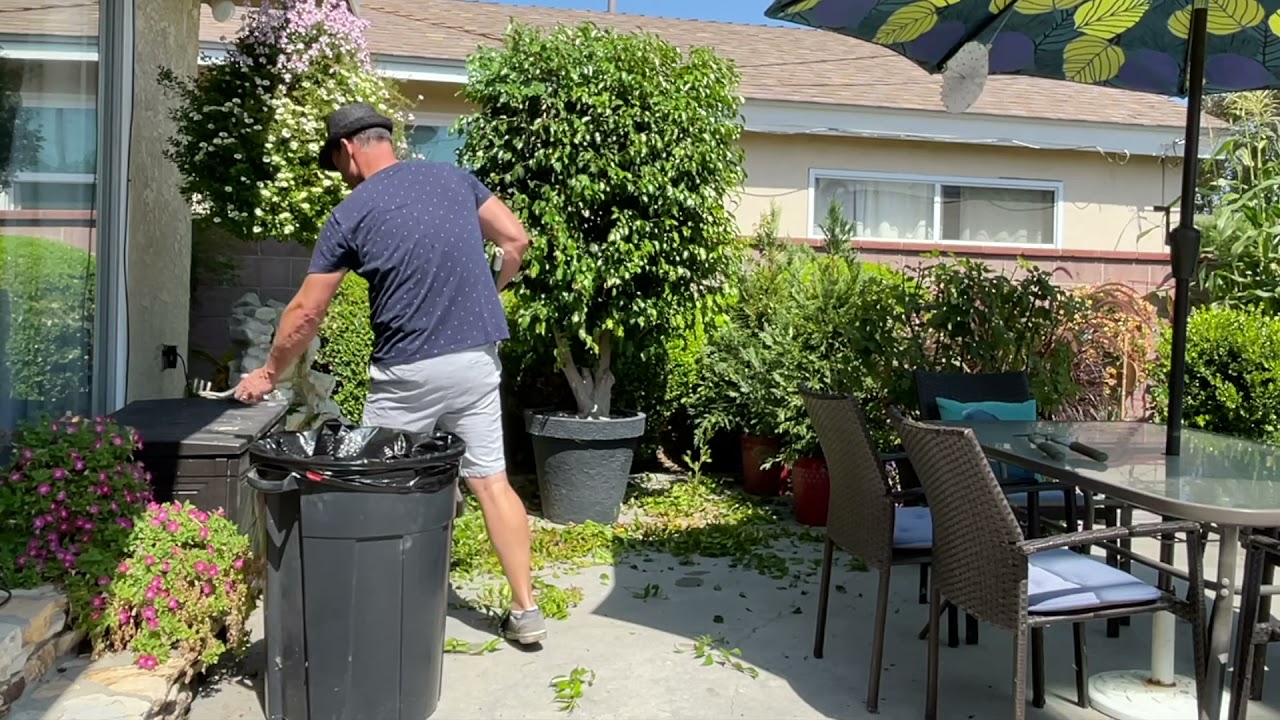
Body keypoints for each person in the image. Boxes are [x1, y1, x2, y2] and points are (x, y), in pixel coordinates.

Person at [232, 102, 544, 645]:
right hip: (476, 361)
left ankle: (381, 610)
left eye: (336, 160)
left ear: (348, 148)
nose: (340, 171)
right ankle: (526, 610)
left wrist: (269, 372)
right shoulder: (454, 179)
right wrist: (493, 291)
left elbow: (306, 312)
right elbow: (516, 240)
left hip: (407, 374)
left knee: (380, 487)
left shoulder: (351, 213)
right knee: (492, 483)